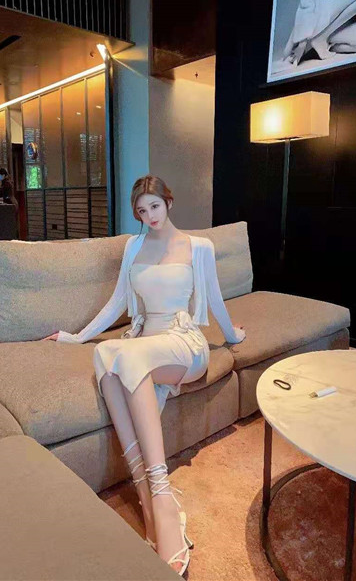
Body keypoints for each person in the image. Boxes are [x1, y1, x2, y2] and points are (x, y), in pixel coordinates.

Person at [44, 175, 246, 577]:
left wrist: (232, 336)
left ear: (168, 202)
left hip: (184, 346)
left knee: (125, 357)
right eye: (141, 210)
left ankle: (161, 496)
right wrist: (77, 337)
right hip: (145, 346)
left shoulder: (198, 247)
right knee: (105, 352)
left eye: (154, 205)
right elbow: (117, 301)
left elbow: (215, 300)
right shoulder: (133, 247)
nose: (149, 215)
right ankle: (147, 495)